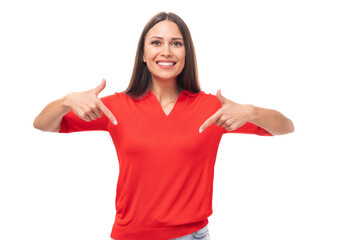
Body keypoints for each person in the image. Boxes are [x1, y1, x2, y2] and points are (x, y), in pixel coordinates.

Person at [33, 11, 294, 240]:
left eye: (176, 43)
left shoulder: (213, 109)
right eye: (156, 43)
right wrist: (66, 101)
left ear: (186, 54)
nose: (166, 51)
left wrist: (252, 111)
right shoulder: (115, 106)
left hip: (190, 236)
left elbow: (285, 127)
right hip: (130, 235)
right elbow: (44, 124)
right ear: (143, 55)